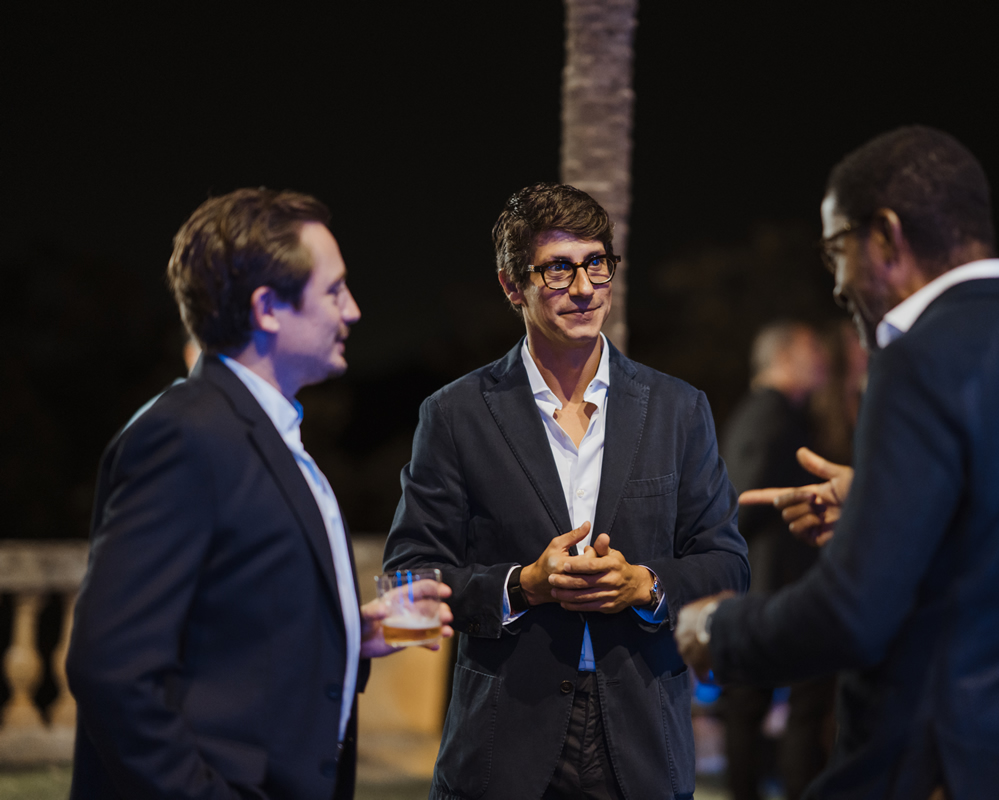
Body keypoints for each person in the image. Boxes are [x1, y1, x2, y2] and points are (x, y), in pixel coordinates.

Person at [675, 126, 999, 799]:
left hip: (941, 765)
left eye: (837, 250)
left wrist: (721, 629)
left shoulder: (918, 360)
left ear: (886, 237)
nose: (836, 284)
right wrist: (880, 505)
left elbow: (852, 616)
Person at [66, 188, 452, 800]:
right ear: (268, 307)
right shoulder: (185, 436)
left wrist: (349, 633)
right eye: (334, 291)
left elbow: (230, 626)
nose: (352, 311)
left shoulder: (264, 431)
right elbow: (112, 668)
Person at [384, 182, 749, 800]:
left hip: (641, 744)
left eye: (596, 264)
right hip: (504, 746)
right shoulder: (454, 415)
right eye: (557, 269)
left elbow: (728, 567)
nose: (583, 288)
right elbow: (409, 574)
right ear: (511, 285)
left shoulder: (679, 409)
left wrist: (645, 585)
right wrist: (523, 584)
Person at [719, 321, 834, 800]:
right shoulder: (771, 417)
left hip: (767, 585)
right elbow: (743, 503)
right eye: (811, 350)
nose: (822, 360)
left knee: (763, 705)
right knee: (785, 703)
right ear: (784, 357)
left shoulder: (766, 414)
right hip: (772, 586)